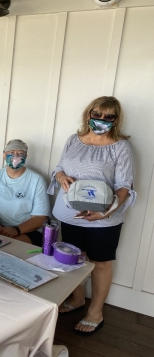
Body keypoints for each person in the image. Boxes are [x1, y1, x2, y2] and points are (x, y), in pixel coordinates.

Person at [49, 96, 136, 336]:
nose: (102, 120)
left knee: (100, 263)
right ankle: (77, 299)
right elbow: (58, 168)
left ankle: (95, 312)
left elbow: (124, 186)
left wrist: (104, 212)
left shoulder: (120, 147)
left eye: (109, 117)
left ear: (116, 120)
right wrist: (60, 177)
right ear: (89, 114)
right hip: (70, 213)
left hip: (104, 218)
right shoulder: (73, 140)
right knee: (74, 258)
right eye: (97, 114)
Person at [0, 139, 50, 246]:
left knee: (6, 247)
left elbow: (40, 218)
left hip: (26, 230)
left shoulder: (37, 180)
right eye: (11, 153)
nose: (16, 156)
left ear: (26, 156)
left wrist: (15, 230)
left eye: (20, 153)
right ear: (4, 155)